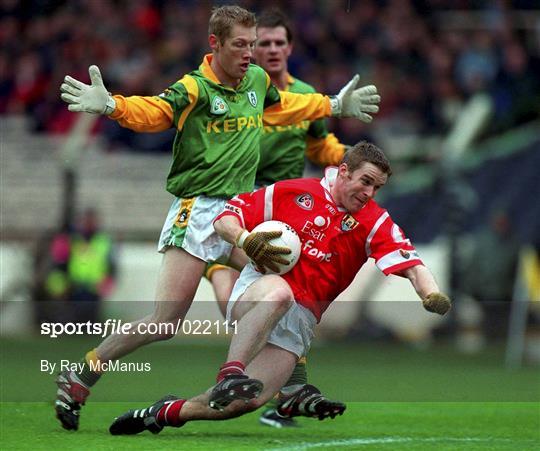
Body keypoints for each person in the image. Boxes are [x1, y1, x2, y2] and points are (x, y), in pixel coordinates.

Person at [54, 5, 381, 431]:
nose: (250, 54)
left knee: (294, 283)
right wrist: (113, 106)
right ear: (215, 44)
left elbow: (285, 108)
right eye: (240, 45)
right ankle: (82, 374)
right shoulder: (195, 88)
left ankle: (284, 384)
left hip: (240, 212)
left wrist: (335, 103)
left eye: (253, 44)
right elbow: (156, 111)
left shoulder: (258, 82)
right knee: (165, 322)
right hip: (197, 212)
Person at [108, 141, 452, 436]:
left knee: (242, 404)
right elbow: (227, 216)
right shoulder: (293, 191)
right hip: (258, 293)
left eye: (376, 187)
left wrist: (431, 294)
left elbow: (412, 264)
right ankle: (231, 371)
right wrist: (245, 239)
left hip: (300, 323)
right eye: (365, 182)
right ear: (343, 171)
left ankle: (163, 413)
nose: (369, 193)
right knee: (280, 293)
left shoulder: (374, 221)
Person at [205, 8, 347, 428]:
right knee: (246, 299)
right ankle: (279, 386)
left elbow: (321, 149)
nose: (268, 49)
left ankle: (281, 389)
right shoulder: (240, 92)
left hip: (290, 220)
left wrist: (350, 163)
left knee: (294, 299)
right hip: (242, 211)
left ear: (289, 47)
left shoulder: (306, 97)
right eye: (259, 43)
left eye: (276, 42)